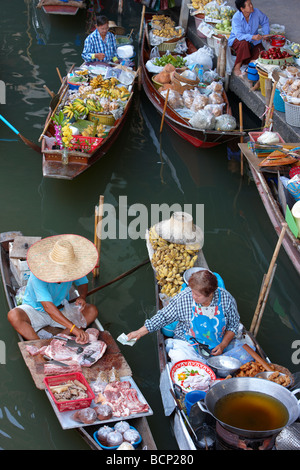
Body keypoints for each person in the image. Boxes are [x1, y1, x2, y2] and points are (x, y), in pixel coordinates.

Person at [127, 269, 240, 356]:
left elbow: (233, 325)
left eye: (197, 295)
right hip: (188, 344)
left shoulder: (226, 299)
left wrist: (223, 345)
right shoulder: (184, 297)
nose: (193, 296)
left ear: (210, 294)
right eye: (192, 292)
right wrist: (139, 332)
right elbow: (164, 316)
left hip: (217, 344)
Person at [7, 234, 99, 342]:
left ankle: (59, 339)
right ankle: (40, 345)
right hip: (36, 310)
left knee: (92, 310)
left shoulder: (73, 268)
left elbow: (82, 283)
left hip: (61, 307)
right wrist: (74, 328)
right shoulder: (38, 274)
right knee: (14, 315)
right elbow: (48, 308)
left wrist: (82, 297)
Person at [228, 0, 270, 77]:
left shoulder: (256, 12)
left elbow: (265, 21)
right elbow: (239, 36)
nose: (251, 6)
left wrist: (266, 33)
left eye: (251, 3)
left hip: (254, 41)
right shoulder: (236, 18)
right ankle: (237, 67)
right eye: (249, 5)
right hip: (238, 41)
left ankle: (249, 68)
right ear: (242, 9)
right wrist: (253, 37)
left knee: (261, 51)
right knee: (244, 43)